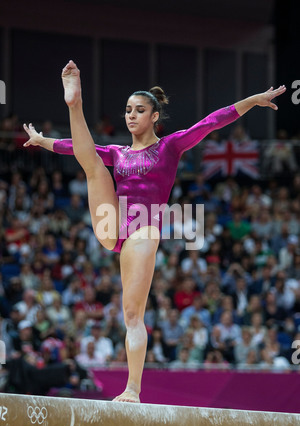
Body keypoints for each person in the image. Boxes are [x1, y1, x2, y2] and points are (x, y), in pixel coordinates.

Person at [23, 60, 286, 402]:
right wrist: (42, 140)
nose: (131, 116)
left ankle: (133, 388)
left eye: (139, 110)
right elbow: (74, 148)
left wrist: (252, 100)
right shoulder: (116, 153)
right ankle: (75, 103)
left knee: (132, 313)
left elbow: (211, 122)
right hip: (111, 223)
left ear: (155, 116)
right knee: (92, 167)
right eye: (128, 110)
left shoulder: (170, 146)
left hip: (144, 229)